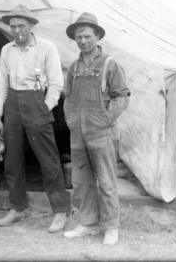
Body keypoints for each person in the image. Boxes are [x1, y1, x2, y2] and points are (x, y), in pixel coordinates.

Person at [0, 4, 70, 233]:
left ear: (31, 26)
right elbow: (2, 84)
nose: (17, 30)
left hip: (37, 103)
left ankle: (59, 211)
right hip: (13, 105)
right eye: (13, 26)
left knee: (48, 160)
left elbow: (57, 83)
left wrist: (45, 108)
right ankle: (17, 208)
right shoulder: (6, 50)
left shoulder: (47, 48)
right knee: (12, 160)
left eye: (21, 26)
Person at [62, 12, 131, 246]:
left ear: (97, 36)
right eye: (78, 37)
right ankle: (88, 224)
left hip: (101, 131)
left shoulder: (109, 64)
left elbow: (122, 96)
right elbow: (68, 96)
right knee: (81, 180)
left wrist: (106, 118)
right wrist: (71, 119)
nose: (82, 40)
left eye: (87, 36)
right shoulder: (73, 67)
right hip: (78, 132)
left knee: (106, 179)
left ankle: (111, 227)